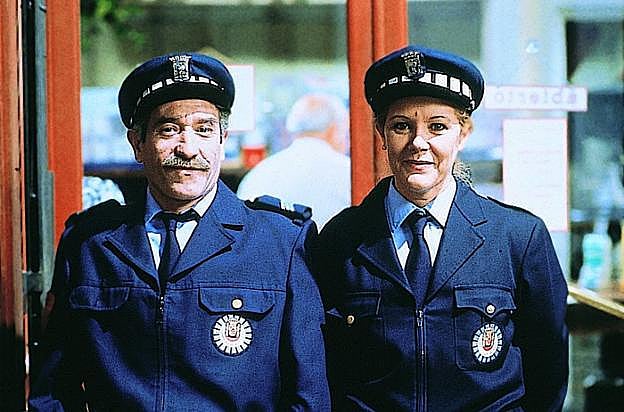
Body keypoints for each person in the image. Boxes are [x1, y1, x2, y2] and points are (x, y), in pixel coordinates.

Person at [29, 52, 330, 411]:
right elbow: (54, 389)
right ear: (137, 143)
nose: (188, 149)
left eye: (204, 129)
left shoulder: (280, 243)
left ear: (222, 139)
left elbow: (308, 396)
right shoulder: (90, 244)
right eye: (168, 130)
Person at [313, 45, 569, 411]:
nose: (418, 143)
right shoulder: (342, 239)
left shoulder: (518, 237)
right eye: (401, 126)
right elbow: (324, 369)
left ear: (463, 134)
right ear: (381, 134)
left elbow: (548, 371)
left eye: (437, 127)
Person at [237, 92, 350, 228]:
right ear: (334, 130)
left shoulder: (258, 174)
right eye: (346, 133)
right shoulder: (349, 174)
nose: (347, 142)